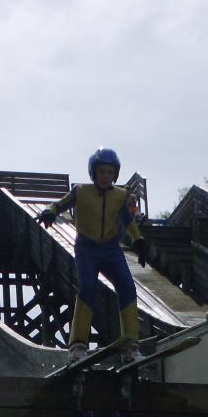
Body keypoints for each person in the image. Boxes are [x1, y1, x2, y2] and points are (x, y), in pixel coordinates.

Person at [38, 147, 149, 362]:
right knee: (87, 288)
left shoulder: (120, 196)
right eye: (102, 172)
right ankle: (78, 345)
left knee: (127, 287)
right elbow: (60, 204)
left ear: (115, 174)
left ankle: (131, 345)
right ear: (93, 172)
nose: (106, 176)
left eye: (110, 173)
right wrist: (50, 211)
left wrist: (138, 240)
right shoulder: (81, 191)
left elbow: (128, 221)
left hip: (111, 248)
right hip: (86, 249)